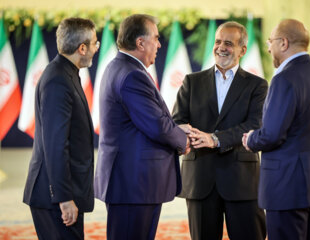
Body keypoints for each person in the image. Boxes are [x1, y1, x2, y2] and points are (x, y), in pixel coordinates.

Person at [94, 14, 190, 240]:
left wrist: (177, 129)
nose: (159, 44)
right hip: (134, 184)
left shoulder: (120, 67)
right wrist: (183, 140)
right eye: (155, 38)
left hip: (131, 183)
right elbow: (156, 125)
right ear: (140, 43)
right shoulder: (132, 75)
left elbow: (147, 120)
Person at [242, 19, 310, 240]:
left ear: (283, 43)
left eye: (270, 41)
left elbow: (272, 135)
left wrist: (251, 139)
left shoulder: (284, 79)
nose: (268, 47)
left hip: (288, 187)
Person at [172, 21, 267, 240]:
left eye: (228, 43)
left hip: (242, 180)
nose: (221, 47)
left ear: (242, 50)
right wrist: (186, 135)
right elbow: (178, 122)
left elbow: (255, 124)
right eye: (217, 41)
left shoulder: (257, 85)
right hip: (200, 180)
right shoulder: (191, 82)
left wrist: (214, 139)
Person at [23, 17, 99, 239]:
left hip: (61, 194)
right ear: (82, 48)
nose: (96, 48)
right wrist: (64, 198)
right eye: (95, 43)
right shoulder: (58, 80)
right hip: (56, 198)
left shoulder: (66, 73)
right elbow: (56, 145)